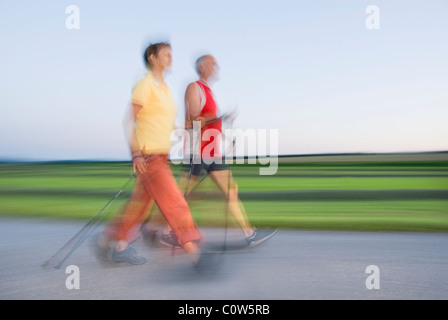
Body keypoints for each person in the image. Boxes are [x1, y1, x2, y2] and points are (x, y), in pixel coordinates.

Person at [96, 42, 207, 269]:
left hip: (162, 156)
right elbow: (129, 120)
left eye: (171, 54)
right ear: (152, 57)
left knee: (139, 207)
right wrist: (136, 154)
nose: (171, 58)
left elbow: (163, 123)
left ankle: (111, 242)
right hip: (149, 158)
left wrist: (187, 129)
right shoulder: (145, 84)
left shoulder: (164, 89)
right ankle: (196, 255)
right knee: (175, 203)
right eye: (166, 54)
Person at [157, 54, 277, 248]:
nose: (217, 66)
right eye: (213, 64)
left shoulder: (209, 90)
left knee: (231, 191)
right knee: (183, 196)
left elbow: (210, 123)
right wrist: (220, 116)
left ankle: (249, 233)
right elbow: (194, 121)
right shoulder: (194, 87)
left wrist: (226, 136)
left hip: (213, 152)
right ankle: (166, 232)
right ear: (202, 67)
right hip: (197, 152)